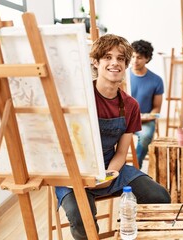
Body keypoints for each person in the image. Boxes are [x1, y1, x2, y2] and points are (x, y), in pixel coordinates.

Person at [55, 34, 171, 240]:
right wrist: (85, 177)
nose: (114, 63)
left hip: (110, 167)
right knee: (82, 218)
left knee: (159, 196)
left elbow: (121, 152)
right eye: (107, 57)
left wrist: (107, 175)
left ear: (126, 64)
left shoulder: (130, 105)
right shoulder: (79, 97)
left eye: (120, 58)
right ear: (96, 62)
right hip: (73, 171)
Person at [129, 40, 164, 169]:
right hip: (125, 119)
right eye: (132, 56)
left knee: (145, 136)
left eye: (139, 57)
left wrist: (147, 116)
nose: (135, 60)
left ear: (147, 59)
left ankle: (135, 167)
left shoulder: (156, 80)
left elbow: (156, 108)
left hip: (144, 121)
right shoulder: (122, 77)